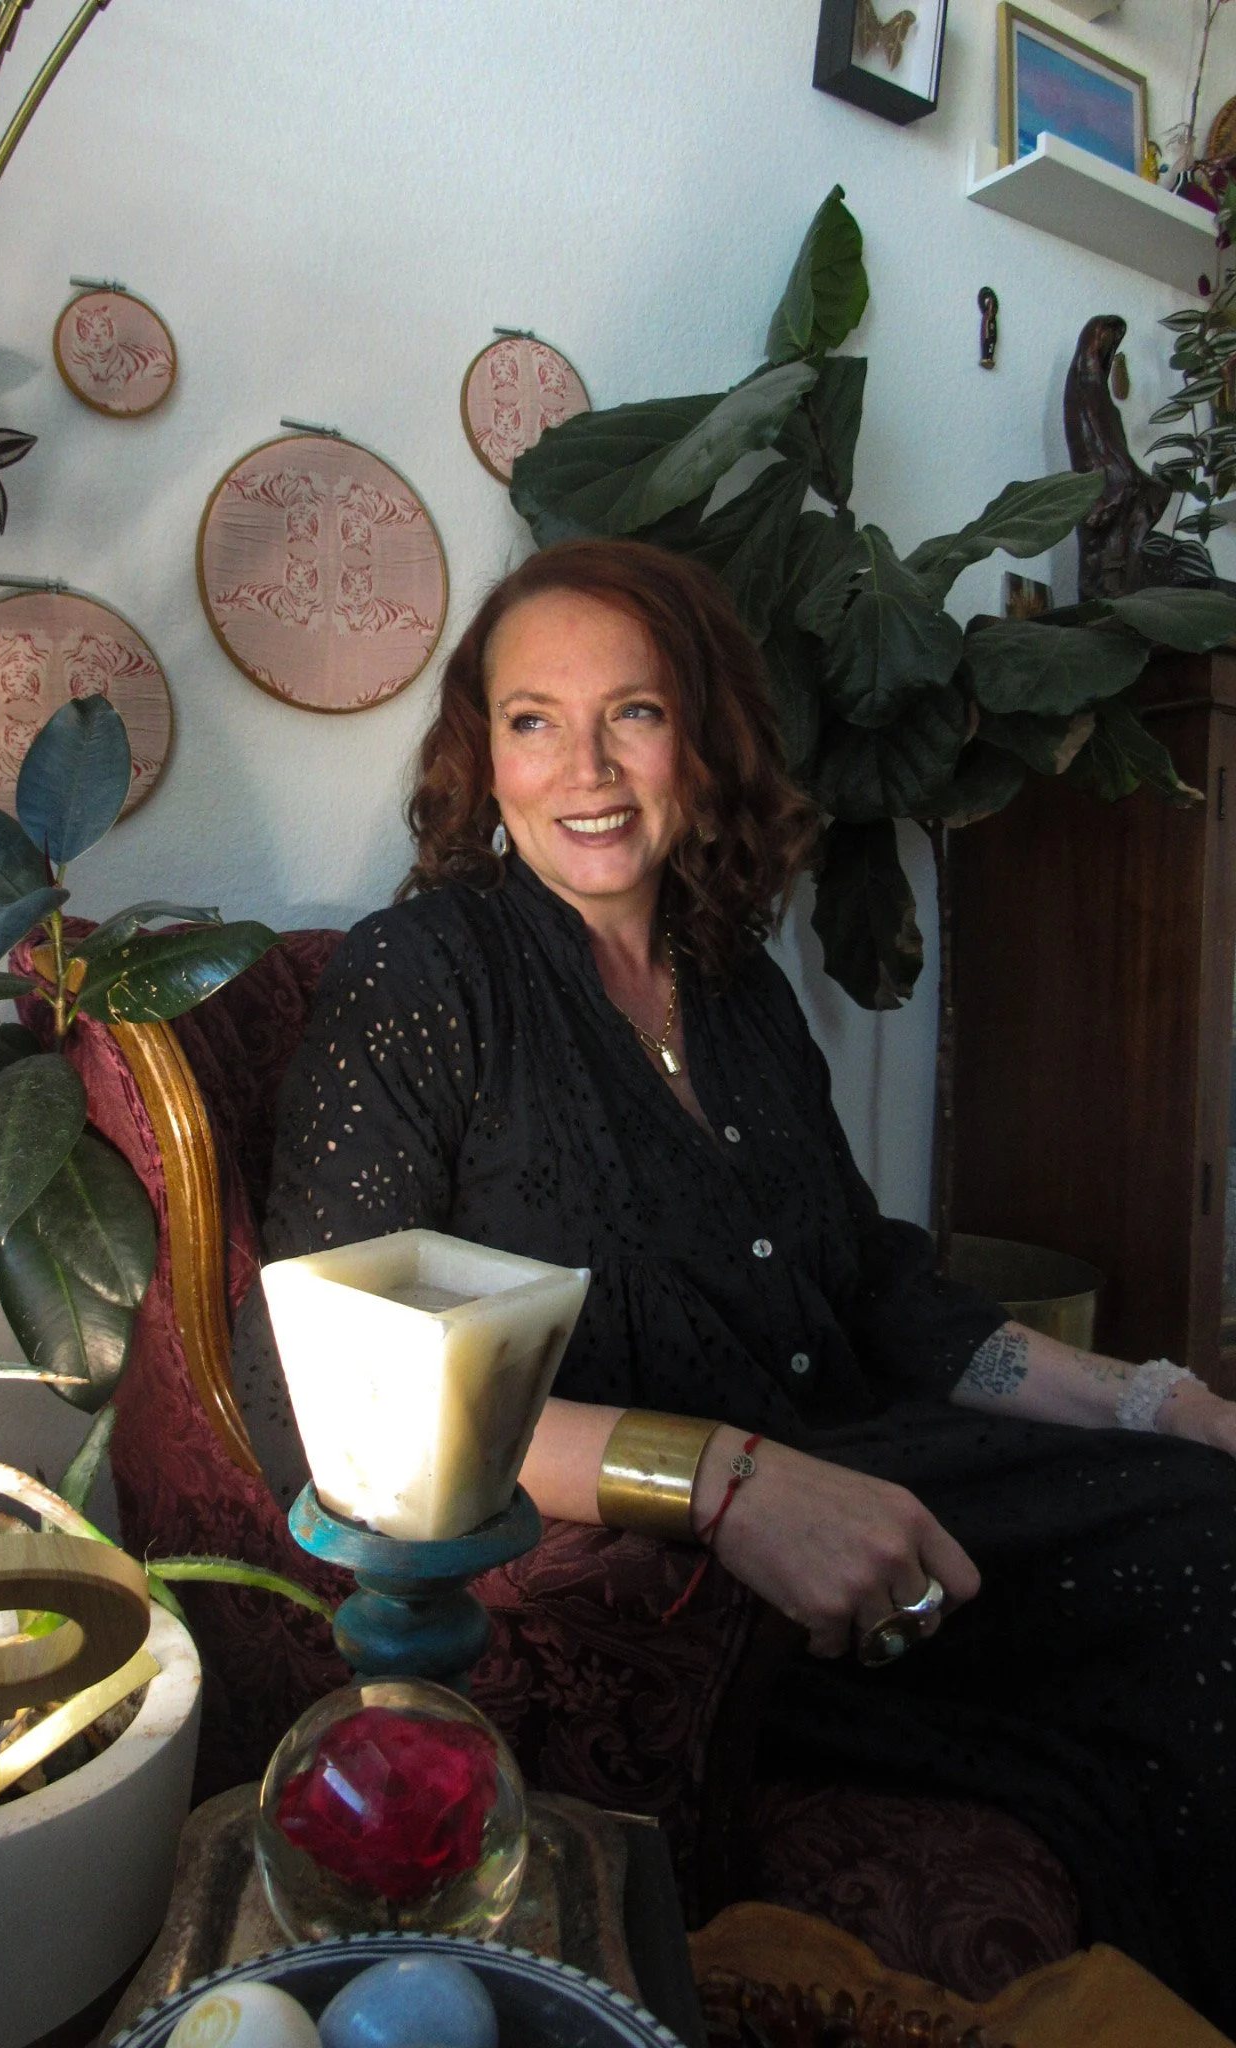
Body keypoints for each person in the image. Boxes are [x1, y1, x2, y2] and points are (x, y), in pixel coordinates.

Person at [233, 538, 1236, 2032]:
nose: (587, 766)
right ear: (480, 753)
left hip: (876, 1466)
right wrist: (726, 1481)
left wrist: (1155, 1400)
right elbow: (329, 1382)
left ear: (700, 738)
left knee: (1204, 1505)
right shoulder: (426, 975)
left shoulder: (740, 985)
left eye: (632, 713)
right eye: (532, 719)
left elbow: (875, 1279)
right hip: (693, 1592)